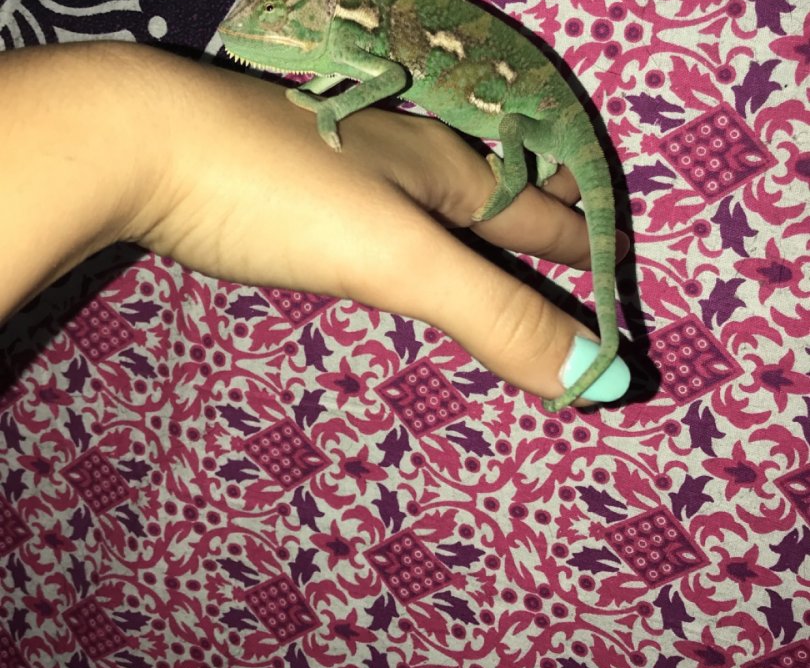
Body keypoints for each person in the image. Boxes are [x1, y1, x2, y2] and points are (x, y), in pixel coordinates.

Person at [0, 41, 629, 405]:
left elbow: (380, 72)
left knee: (518, 153)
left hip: (527, 115)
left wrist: (158, 131)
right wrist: (157, 137)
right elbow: (361, 71)